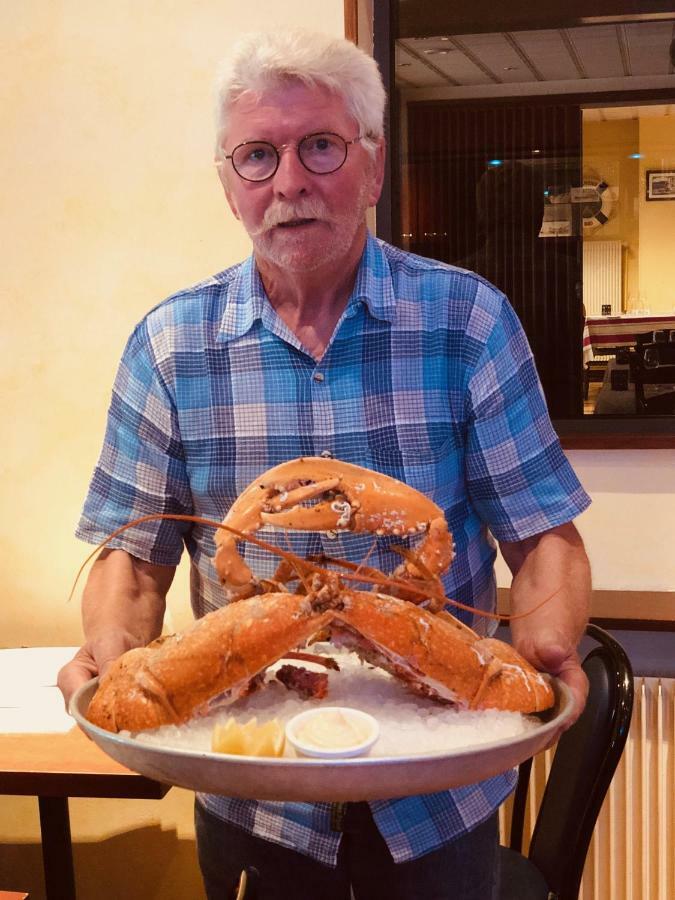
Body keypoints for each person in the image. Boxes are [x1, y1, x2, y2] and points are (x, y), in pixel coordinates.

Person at [58, 29, 592, 900]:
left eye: (320, 146)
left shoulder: (469, 322)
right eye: (257, 156)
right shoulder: (168, 344)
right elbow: (132, 556)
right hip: (253, 796)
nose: (290, 182)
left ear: (372, 167)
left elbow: (543, 539)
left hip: (438, 804)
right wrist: (112, 652)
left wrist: (545, 639)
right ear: (229, 188)